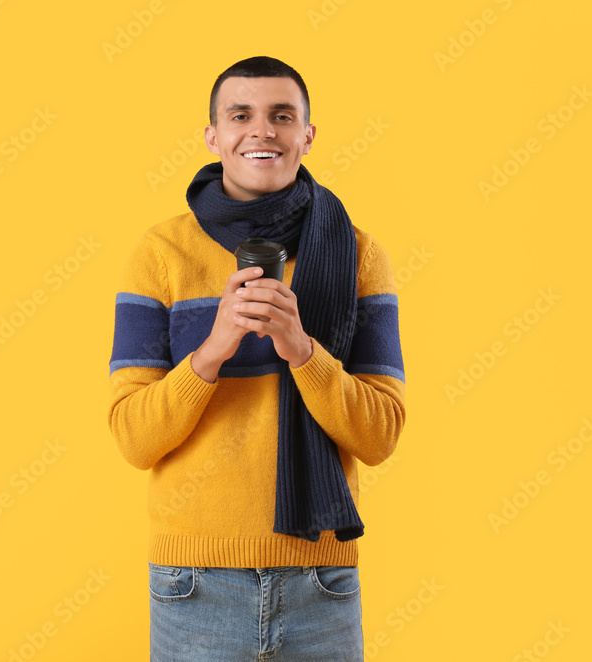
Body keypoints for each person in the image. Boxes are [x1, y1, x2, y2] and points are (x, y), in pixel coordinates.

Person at [109, 55, 405, 661]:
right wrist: (212, 350)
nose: (261, 131)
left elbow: (379, 436)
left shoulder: (358, 255)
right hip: (193, 586)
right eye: (240, 115)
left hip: (319, 586)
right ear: (214, 135)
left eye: (281, 115)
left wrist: (303, 351)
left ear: (307, 134)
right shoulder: (161, 253)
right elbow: (133, 438)